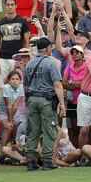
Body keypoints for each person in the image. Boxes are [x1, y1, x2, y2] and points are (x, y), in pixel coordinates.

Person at [24, 37, 65, 171]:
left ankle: (30, 160)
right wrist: (62, 104)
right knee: (49, 130)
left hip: (32, 99)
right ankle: (47, 160)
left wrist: (27, 101)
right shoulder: (50, 63)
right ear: (48, 48)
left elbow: (25, 85)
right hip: (46, 100)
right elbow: (57, 84)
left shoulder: (29, 64)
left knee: (32, 130)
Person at [0, 0, 31, 87]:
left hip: (18, 58)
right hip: (4, 58)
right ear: (5, 6)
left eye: (12, 5)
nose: (10, 7)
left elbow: (26, 41)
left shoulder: (22, 22)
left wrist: (25, 59)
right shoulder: (0, 23)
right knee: (4, 86)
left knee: (19, 85)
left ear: (16, 6)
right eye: (8, 5)